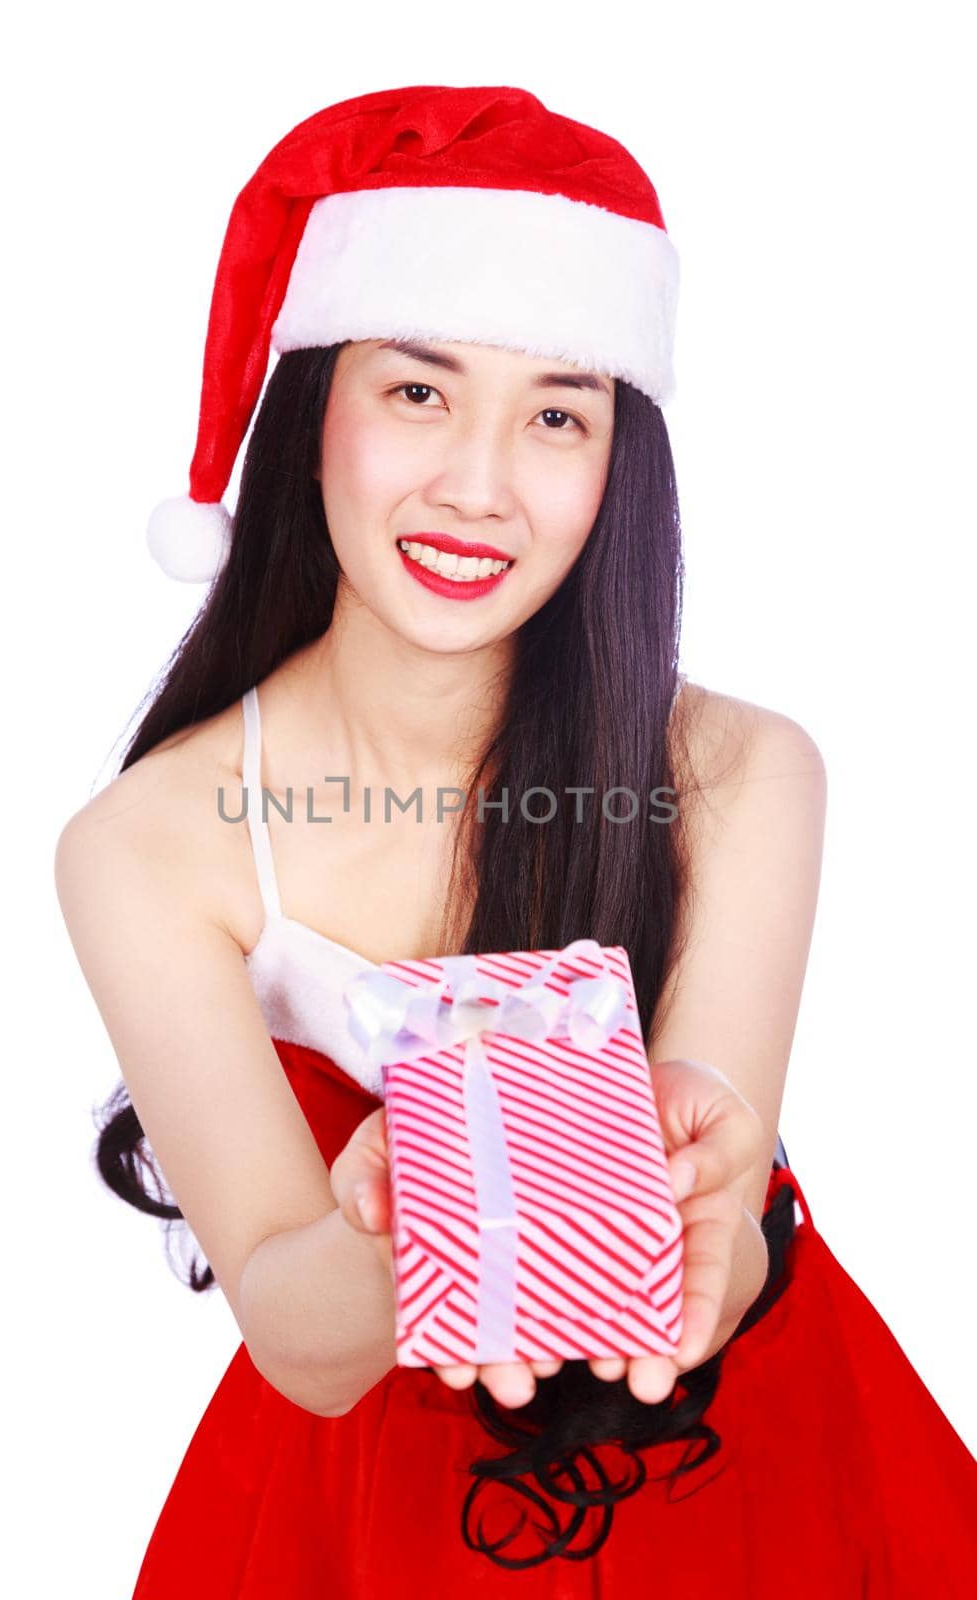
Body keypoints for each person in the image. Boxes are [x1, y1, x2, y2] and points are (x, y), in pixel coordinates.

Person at [54, 85, 977, 1595]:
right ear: (312, 417)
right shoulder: (152, 844)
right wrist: (395, 1219)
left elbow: (726, 1221)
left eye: (559, 413)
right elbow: (304, 1342)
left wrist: (707, 1250)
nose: (479, 484)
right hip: (371, 1513)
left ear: (622, 468)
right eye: (418, 392)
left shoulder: (745, 772)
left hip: (753, 1462)